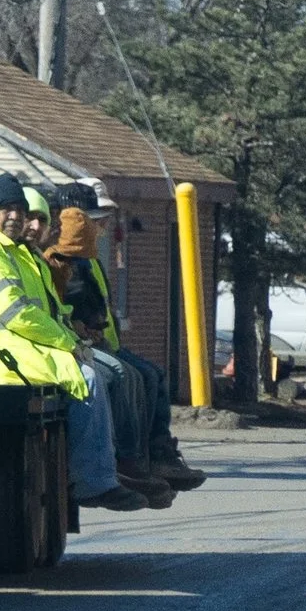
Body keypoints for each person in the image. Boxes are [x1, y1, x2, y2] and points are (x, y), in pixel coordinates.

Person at [0, 173, 147, 512]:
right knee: (87, 379)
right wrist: (68, 343)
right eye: (5, 208)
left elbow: (47, 309)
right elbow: (16, 313)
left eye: (20, 209)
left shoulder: (13, 251)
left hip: (12, 351)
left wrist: (71, 336)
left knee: (96, 372)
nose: (15, 216)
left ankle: (109, 468)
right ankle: (94, 482)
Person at [43, 189, 206, 493]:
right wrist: (77, 329)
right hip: (70, 345)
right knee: (124, 375)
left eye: (102, 218)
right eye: (94, 218)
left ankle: (153, 457)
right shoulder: (56, 259)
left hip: (97, 341)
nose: (101, 225)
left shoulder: (86, 258)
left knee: (150, 373)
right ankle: (124, 461)